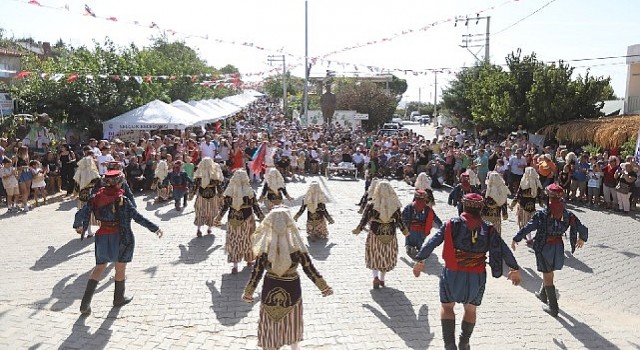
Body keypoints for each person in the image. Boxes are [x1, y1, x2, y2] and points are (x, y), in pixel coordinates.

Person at [413, 193, 522, 350]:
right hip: (476, 275)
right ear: (481, 209)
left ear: (464, 206)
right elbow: (503, 249)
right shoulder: (488, 228)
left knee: (447, 306)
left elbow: (433, 241)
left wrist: (420, 260)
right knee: (471, 308)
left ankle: (450, 345)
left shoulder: (452, 224)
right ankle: (464, 343)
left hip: (452, 273)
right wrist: (514, 269)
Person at [73, 166, 163, 315]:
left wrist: (77, 225)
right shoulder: (123, 200)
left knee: (99, 268)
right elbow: (137, 217)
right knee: (120, 268)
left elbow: (81, 213)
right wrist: (155, 228)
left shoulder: (96, 197)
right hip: (121, 237)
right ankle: (118, 299)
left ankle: (85, 304)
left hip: (102, 236)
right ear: (119, 183)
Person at [243, 207, 333, 350]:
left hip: (270, 288)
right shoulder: (296, 246)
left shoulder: (265, 248)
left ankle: (271, 345)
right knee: (293, 323)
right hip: (292, 288)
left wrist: (249, 292)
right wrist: (323, 287)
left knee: (270, 324)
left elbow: (257, 272)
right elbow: (309, 268)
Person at [511, 184, 588, 317]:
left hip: (544, 246)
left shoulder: (542, 214)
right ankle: (542, 294)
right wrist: (582, 238)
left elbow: (529, 227)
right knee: (549, 271)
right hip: (558, 246)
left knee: (547, 275)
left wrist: (517, 238)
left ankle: (553, 308)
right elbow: (581, 227)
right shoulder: (568, 214)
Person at [352, 181, 409, 289]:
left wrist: (358, 229)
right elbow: (399, 220)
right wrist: (404, 231)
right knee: (386, 256)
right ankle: (382, 279)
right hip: (390, 234)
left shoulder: (371, 204)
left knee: (375, 255)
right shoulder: (395, 204)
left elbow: (364, 219)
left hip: (375, 234)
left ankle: (375, 277)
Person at [215, 170, 265, 274]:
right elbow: (256, 207)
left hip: (233, 219)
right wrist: (262, 219)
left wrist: (218, 218)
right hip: (247, 220)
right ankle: (249, 259)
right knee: (248, 239)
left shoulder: (229, 193)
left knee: (234, 240)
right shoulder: (250, 192)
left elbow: (224, 207)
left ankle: (235, 265)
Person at [402, 189, 442, 259]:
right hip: (422, 231)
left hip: (410, 230)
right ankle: (419, 255)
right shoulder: (428, 209)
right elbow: (435, 218)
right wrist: (442, 227)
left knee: (409, 241)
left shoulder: (409, 207)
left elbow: (402, 216)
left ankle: (409, 248)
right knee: (419, 245)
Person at [510, 167, 544, 245]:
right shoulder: (537, 182)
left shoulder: (524, 182)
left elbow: (518, 195)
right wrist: (540, 202)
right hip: (532, 206)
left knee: (525, 222)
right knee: (530, 221)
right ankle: (528, 236)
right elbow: (539, 195)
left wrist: (513, 204)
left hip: (523, 205)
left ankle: (529, 238)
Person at [193, 157, 224, 237]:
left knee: (200, 212)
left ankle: (199, 229)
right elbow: (219, 186)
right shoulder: (214, 175)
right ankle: (209, 228)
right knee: (212, 212)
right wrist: (221, 195)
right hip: (212, 196)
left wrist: (192, 194)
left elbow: (195, 186)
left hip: (201, 196)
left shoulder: (199, 175)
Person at [74, 156, 101, 239]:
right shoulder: (94, 172)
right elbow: (99, 184)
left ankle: (88, 231)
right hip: (93, 196)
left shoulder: (79, 172)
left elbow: (76, 185)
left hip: (83, 196)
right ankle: (97, 230)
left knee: (85, 213)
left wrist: (75, 193)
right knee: (94, 213)